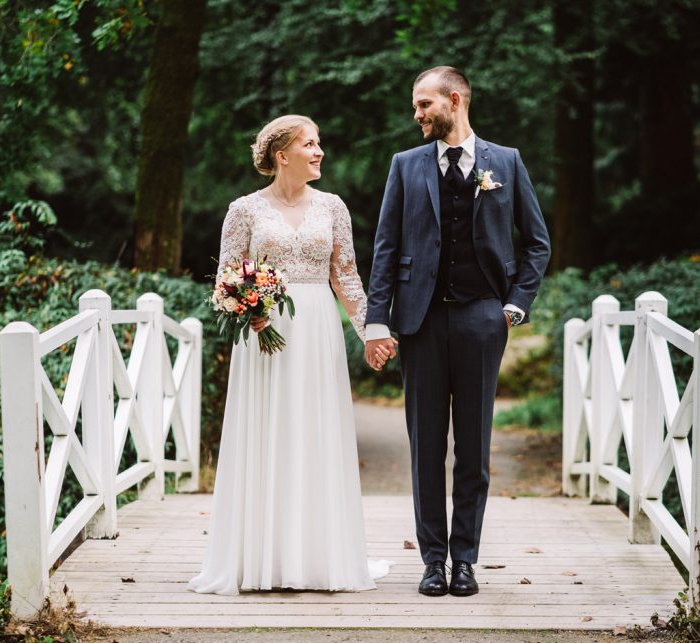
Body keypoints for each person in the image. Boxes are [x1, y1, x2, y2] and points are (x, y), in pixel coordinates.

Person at [364, 67, 551, 597]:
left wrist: (514, 306)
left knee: (473, 447)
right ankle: (432, 561)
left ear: (455, 99)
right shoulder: (405, 166)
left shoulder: (507, 163)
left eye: (424, 104)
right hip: (419, 323)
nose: (417, 114)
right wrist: (379, 319)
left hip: (481, 320)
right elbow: (384, 248)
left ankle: (465, 559)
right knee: (425, 447)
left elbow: (537, 242)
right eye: (415, 106)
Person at [188, 115, 391, 595]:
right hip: (264, 335)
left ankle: (319, 557)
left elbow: (346, 276)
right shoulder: (244, 210)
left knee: (315, 433)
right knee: (268, 433)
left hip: (318, 330)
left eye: (320, 143)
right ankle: (260, 557)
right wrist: (249, 309)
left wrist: (371, 332)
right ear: (283, 156)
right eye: (310, 144)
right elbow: (225, 278)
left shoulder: (333, 207)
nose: (320, 151)